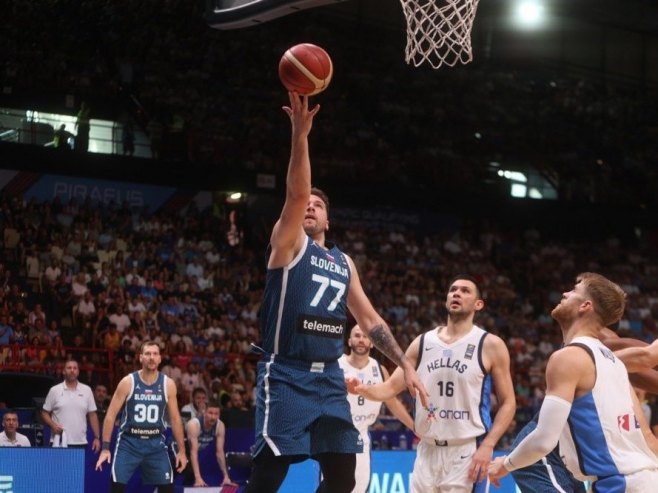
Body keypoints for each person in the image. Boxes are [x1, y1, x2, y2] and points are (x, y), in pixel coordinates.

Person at [243, 92, 428, 493]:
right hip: (286, 372)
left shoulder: (344, 263)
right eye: (305, 204)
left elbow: (371, 321)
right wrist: (300, 135)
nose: (308, 207)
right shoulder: (288, 243)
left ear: (329, 217)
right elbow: (295, 194)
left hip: (329, 377)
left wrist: (405, 365)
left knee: (343, 478)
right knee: (269, 475)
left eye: (317, 205)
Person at [488, 273, 658, 492]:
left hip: (619, 483)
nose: (565, 293)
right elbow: (646, 436)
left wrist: (505, 464)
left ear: (585, 306)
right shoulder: (616, 365)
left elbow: (542, 440)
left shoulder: (568, 357)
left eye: (574, 290)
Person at [349, 275, 516, 493]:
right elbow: (390, 388)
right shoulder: (422, 342)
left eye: (465, 291)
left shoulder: (490, 345)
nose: (456, 293)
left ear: (478, 304)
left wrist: (488, 445)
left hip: (465, 451)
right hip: (426, 450)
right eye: (453, 289)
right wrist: (361, 389)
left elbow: (509, 403)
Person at [322, 324, 415, 493]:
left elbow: (393, 403)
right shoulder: (335, 365)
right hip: (335, 437)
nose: (361, 340)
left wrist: (415, 428)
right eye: (357, 336)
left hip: (361, 437)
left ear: (372, 343)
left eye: (365, 337)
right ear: (349, 341)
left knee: (359, 488)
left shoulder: (379, 370)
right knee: (333, 488)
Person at [95, 341, 187, 493]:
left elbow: (176, 419)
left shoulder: (168, 384)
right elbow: (110, 416)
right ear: (140, 358)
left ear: (160, 359)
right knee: (116, 488)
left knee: (167, 488)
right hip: (129, 443)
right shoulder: (127, 382)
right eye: (148, 354)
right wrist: (105, 448)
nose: (151, 357)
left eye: (155, 354)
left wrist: (182, 452)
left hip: (156, 443)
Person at [41, 359, 101, 450]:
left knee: (79, 465)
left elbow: (92, 415)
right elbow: (44, 412)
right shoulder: (55, 390)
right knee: (57, 465)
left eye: (75, 368)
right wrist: (52, 425)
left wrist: (97, 437)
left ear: (78, 372)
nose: (72, 370)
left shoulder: (87, 390)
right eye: (69, 368)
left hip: (80, 442)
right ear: (64, 371)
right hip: (58, 441)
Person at [185, 399, 235, 488]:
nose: (213, 417)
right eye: (210, 413)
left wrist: (226, 476)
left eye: (216, 414)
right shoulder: (194, 425)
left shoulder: (220, 426)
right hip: (178, 451)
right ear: (204, 412)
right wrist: (198, 478)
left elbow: (219, 452)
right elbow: (193, 452)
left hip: (193, 452)